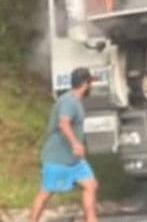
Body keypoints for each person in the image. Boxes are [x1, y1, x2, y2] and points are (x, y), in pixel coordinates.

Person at [30, 67, 98, 222]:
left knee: (91, 185)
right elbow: (64, 123)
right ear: (85, 84)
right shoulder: (68, 102)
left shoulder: (75, 101)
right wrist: (75, 144)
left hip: (75, 161)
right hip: (58, 158)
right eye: (90, 83)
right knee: (46, 193)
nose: (91, 87)